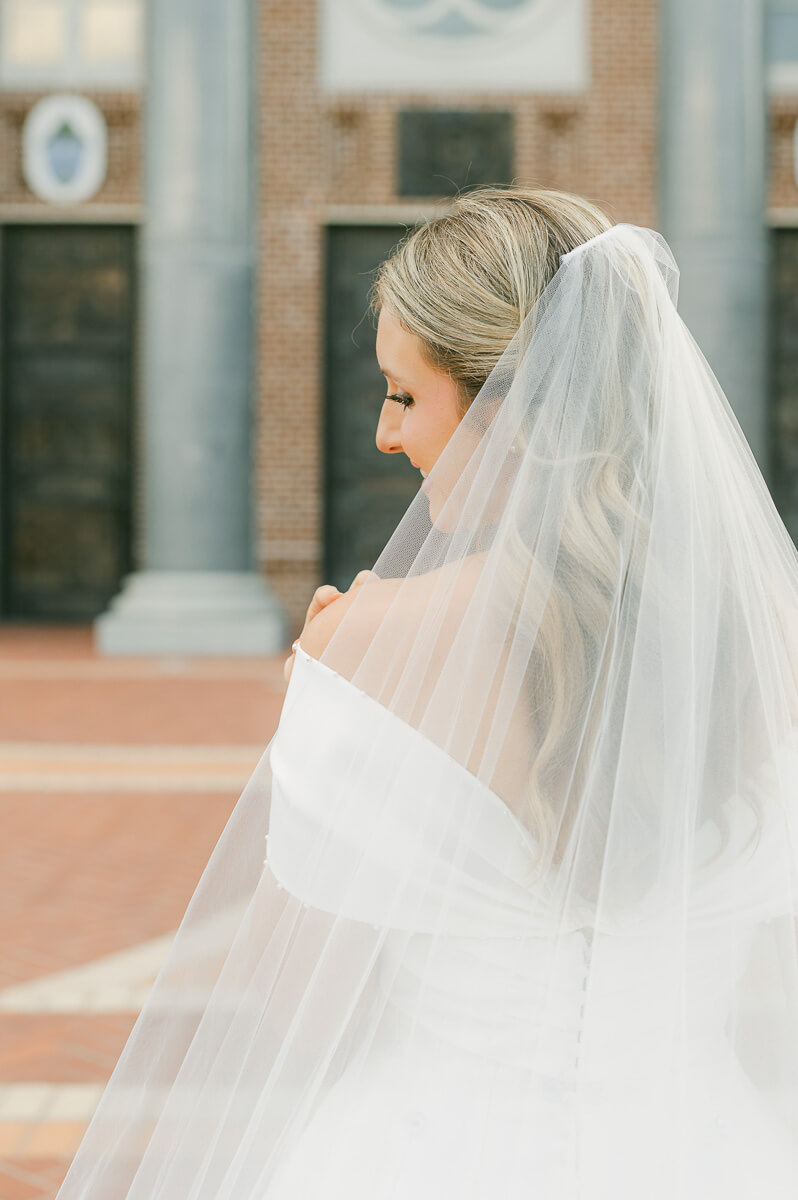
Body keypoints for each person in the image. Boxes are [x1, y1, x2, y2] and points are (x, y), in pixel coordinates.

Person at [55, 186, 798, 1200]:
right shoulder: (766, 637)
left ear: (518, 415)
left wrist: (320, 719)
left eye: (406, 395)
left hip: (435, 1148)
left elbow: (300, 1004)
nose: (384, 435)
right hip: (706, 1152)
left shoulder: (367, 643)